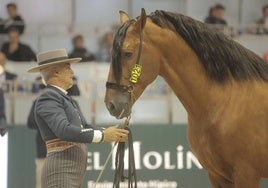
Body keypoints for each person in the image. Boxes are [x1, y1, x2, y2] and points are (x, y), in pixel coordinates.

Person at [27, 49, 129, 188]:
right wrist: (104, 135)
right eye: (68, 68)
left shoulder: (65, 98)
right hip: (61, 173)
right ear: (56, 72)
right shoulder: (49, 97)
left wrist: (110, 133)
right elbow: (64, 131)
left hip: (69, 172)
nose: (72, 72)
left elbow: (84, 126)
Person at [27, 77, 81, 188]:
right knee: (42, 184)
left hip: (69, 153)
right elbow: (30, 122)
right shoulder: (39, 102)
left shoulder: (71, 102)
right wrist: (50, 120)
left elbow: (81, 124)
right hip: (45, 151)